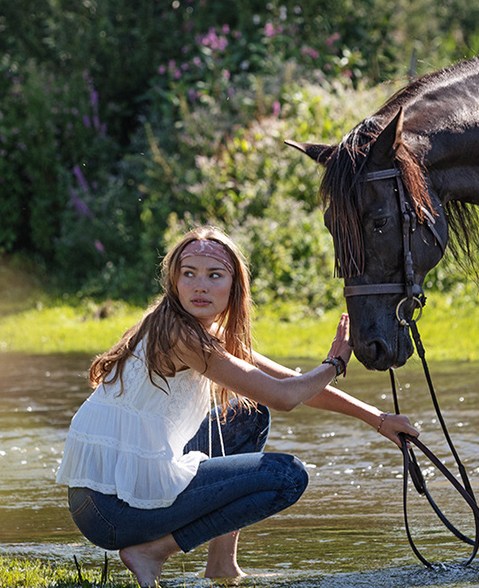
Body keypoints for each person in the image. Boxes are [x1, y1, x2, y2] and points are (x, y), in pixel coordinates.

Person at [55, 226, 419, 586]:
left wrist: (379, 419)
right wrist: (335, 364)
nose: (200, 286)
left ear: (234, 286)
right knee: (287, 476)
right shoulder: (180, 335)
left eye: (214, 275)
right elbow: (286, 398)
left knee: (249, 415)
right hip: (110, 510)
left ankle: (221, 564)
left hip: (107, 493)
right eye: (189, 274)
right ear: (174, 282)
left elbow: (288, 384)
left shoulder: (196, 330)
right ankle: (153, 551)